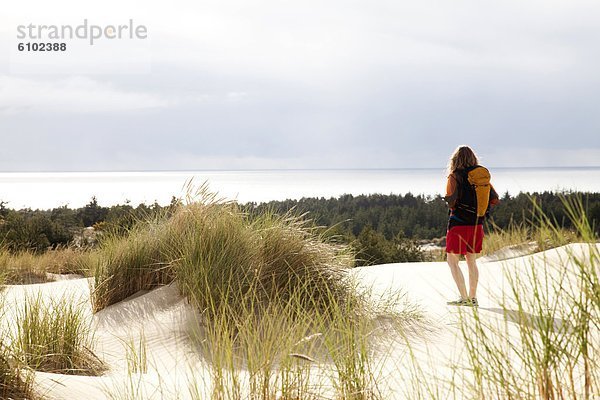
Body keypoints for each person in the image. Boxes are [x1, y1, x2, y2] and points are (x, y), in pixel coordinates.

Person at [444, 145, 499, 307]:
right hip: (476, 225)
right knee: (471, 261)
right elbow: (494, 199)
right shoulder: (480, 177)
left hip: (458, 224)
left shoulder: (455, 176)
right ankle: (473, 298)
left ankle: (464, 298)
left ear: (455, 159)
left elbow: (451, 201)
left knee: (452, 261)